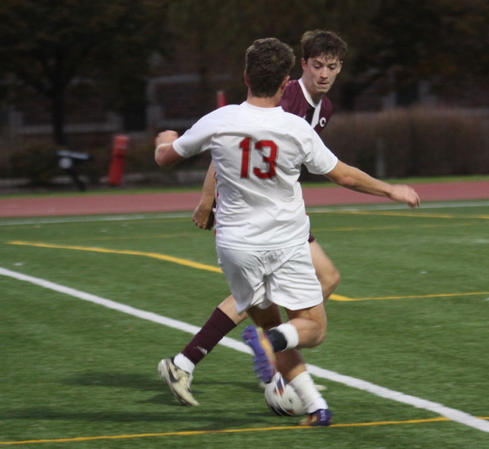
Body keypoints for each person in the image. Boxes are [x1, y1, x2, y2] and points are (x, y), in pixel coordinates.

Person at [155, 37, 420, 426]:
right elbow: (341, 173)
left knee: (275, 306)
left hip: (237, 241)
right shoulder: (291, 118)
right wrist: (390, 190)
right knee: (305, 323)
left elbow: (183, 155)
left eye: (333, 67)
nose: (325, 73)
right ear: (288, 80)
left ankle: (305, 400)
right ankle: (269, 357)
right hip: (281, 234)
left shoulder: (224, 117)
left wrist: (165, 142)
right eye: (318, 65)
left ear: (246, 76)